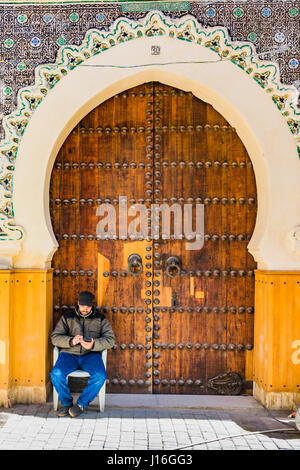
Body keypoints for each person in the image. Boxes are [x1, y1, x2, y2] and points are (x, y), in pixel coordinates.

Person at [50, 291, 115, 418]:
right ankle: (67, 403)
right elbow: (55, 338)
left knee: (100, 376)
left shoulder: (100, 319)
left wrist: (93, 344)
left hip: (91, 355)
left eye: (88, 306)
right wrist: (71, 341)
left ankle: (81, 404)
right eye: (83, 305)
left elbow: (110, 340)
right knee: (56, 374)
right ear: (78, 304)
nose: (85, 309)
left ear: (92, 306)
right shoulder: (67, 317)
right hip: (69, 354)